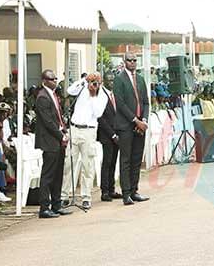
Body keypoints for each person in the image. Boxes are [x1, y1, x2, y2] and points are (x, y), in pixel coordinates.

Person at [61, 72, 107, 209]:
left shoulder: (102, 96)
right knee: (69, 163)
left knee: (88, 165)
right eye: (93, 81)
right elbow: (70, 91)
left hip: (89, 130)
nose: (94, 84)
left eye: (97, 81)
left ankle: (86, 197)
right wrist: (83, 80)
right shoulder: (82, 88)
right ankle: (64, 195)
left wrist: (93, 95)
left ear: (101, 83)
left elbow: (98, 113)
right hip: (74, 128)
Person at [34, 69, 72, 219]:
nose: (55, 81)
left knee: (58, 174)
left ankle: (56, 205)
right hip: (50, 141)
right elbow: (48, 122)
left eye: (55, 78)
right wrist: (60, 135)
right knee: (48, 175)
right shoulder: (42, 97)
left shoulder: (54, 95)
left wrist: (64, 131)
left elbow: (57, 118)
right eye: (51, 79)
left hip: (58, 140)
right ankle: (44, 207)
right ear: (44, 81)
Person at [114, 52, 150, 205]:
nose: (133, 63)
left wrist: (144, 120)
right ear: (124, 61)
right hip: (125, 126)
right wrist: (135, 120)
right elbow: (120, 104)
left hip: (140, 125)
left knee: (137, 159)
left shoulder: (141, 79)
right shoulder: (119, 79)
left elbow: (146, 102)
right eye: (130, 60)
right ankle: (126, 193)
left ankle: (135, 190)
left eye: (135, 60)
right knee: (126, 159)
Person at [97, 73, 122, 202]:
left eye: (113, 80)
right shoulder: (101, 95)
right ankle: (104, 191)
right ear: (104, 81)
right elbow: (100, 118)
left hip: (117, 133)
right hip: (107, 135)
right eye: (109, 80)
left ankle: (112, 189)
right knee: (106, 163)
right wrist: (112, 134)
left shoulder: (115, 94)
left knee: (113, 162)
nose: (112, 82)